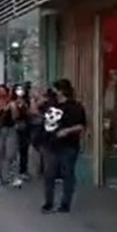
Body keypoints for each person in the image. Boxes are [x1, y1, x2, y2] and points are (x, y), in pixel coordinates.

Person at [41, 79, 86, 213]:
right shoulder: (50, 104)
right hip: (51, 144)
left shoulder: (75, 107)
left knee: (67, 174)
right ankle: (48, 202)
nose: (53, 92)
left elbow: (81, 126)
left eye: (55, 89)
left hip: (68, 145)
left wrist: (67, 131)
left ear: (61, 91)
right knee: (49, 174)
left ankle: (65, 204)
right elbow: (37, 112)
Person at [13, 84, 32, 186]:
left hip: (25, 127)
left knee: (24, 149)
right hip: (13, 127)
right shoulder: (11, 102)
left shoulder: (27, 101)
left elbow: (30, 113)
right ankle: (14, 171)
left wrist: (24, 105)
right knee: (12, 150)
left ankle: (23, 170)